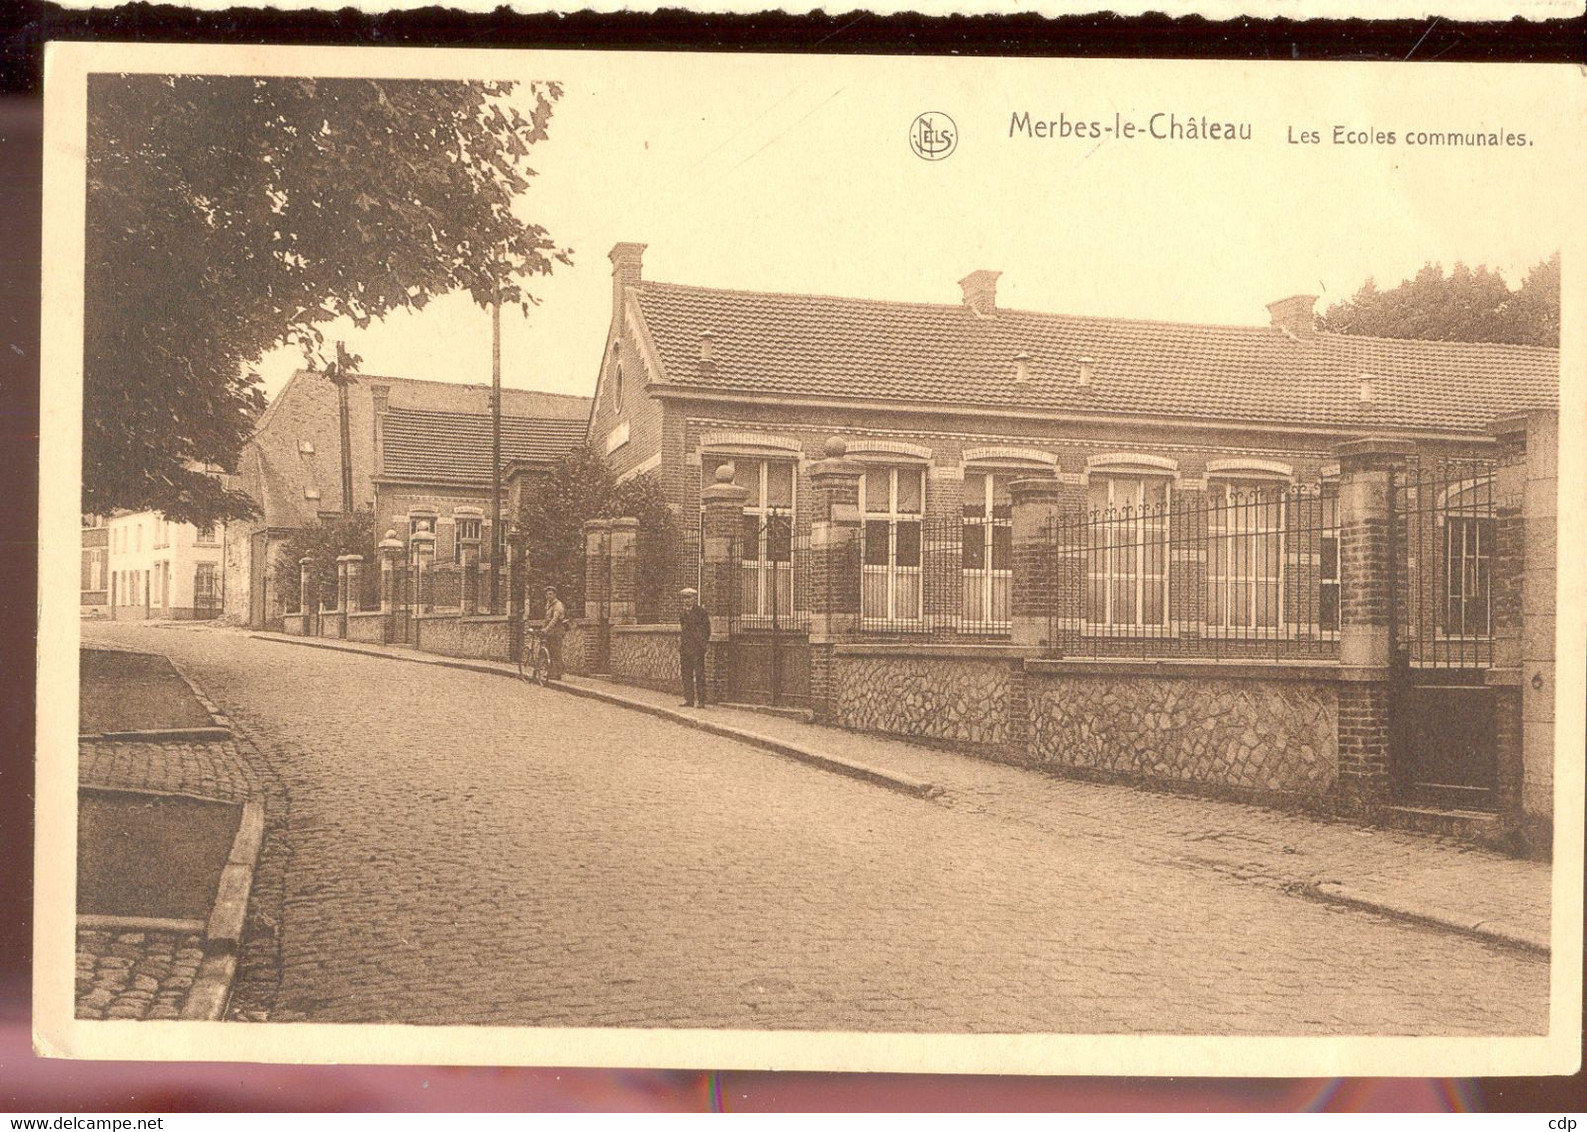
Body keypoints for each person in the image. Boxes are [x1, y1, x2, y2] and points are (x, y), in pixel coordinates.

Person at [678, 587, 711, 707]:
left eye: (689, 598)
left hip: (697, 649)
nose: (687, 600)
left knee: (699, 674)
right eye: (685, 598)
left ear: (694, 598)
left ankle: (701, 700)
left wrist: (702, 644)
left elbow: (707, 630)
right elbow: (683, 630)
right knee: (686, 674)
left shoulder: (701, 612)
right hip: (685, 648)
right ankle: (689, 699)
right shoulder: (683, 613)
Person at [541, 585, 567, 680]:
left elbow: (554, 620)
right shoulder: (549, 604)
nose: (548, 596)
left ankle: (557, 674)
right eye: (547, 594)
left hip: (556, 632)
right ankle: (551, 672)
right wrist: (543, 629)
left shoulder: (558, 605)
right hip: (550, 633)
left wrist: (546, 629)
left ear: (555, 594)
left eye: (550, 594)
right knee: (550, 652)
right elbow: (546, 619)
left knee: (556, 652)